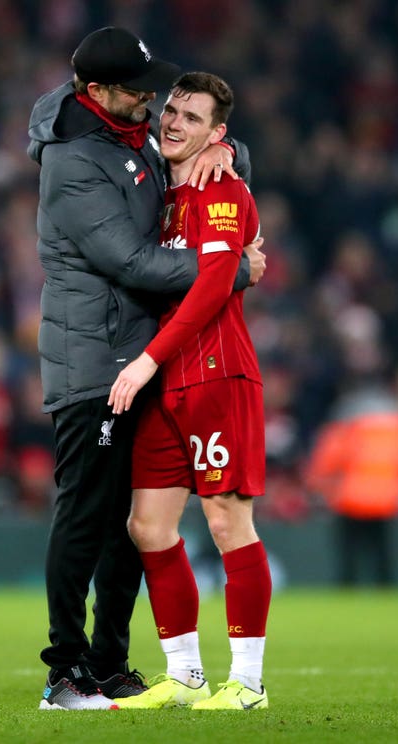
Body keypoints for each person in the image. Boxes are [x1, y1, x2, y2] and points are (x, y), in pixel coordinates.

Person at [27, 27, 265, 711]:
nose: (153, 99)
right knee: (85, 517)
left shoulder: (132, 141)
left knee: (136, 526)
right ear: (97, 92)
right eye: (139, 89)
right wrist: (230, 270)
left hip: (141, 359)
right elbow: (130, 263)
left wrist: (226, 148)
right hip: (94, 362)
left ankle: (109, 665)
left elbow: (199, 149)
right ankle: (64, 672)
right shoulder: (74, 162)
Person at [108, 72, 272, 710]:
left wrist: (145, 361)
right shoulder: (161, 190)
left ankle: (249, 684)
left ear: (218, 134)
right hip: (168, 384)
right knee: (148, 526)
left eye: (193, 119)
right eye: (171, 110)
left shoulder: (221, 185)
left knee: (228, 520)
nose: (174, 124)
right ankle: (183, 676)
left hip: (215, 374)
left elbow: (212, 286)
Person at [305, 373, 398, 585]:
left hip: (351, 499)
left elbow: (327, 460)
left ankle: (348, 594)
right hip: (387, 499)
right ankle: (388, 599)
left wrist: (317, 486)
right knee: (384, 558)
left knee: (349, 560)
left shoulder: (347, 419)